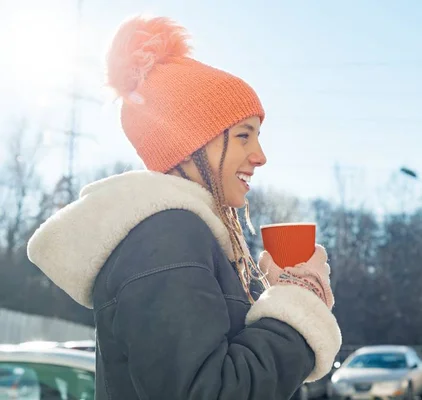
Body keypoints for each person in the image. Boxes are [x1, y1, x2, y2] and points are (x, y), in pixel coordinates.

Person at [27, 16, 341, 400]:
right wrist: (299, 301)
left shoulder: (181, 235)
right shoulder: (166, 236)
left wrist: (279, 300)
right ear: (189, 142)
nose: (260, 156)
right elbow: (207, 392)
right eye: (244, 135)